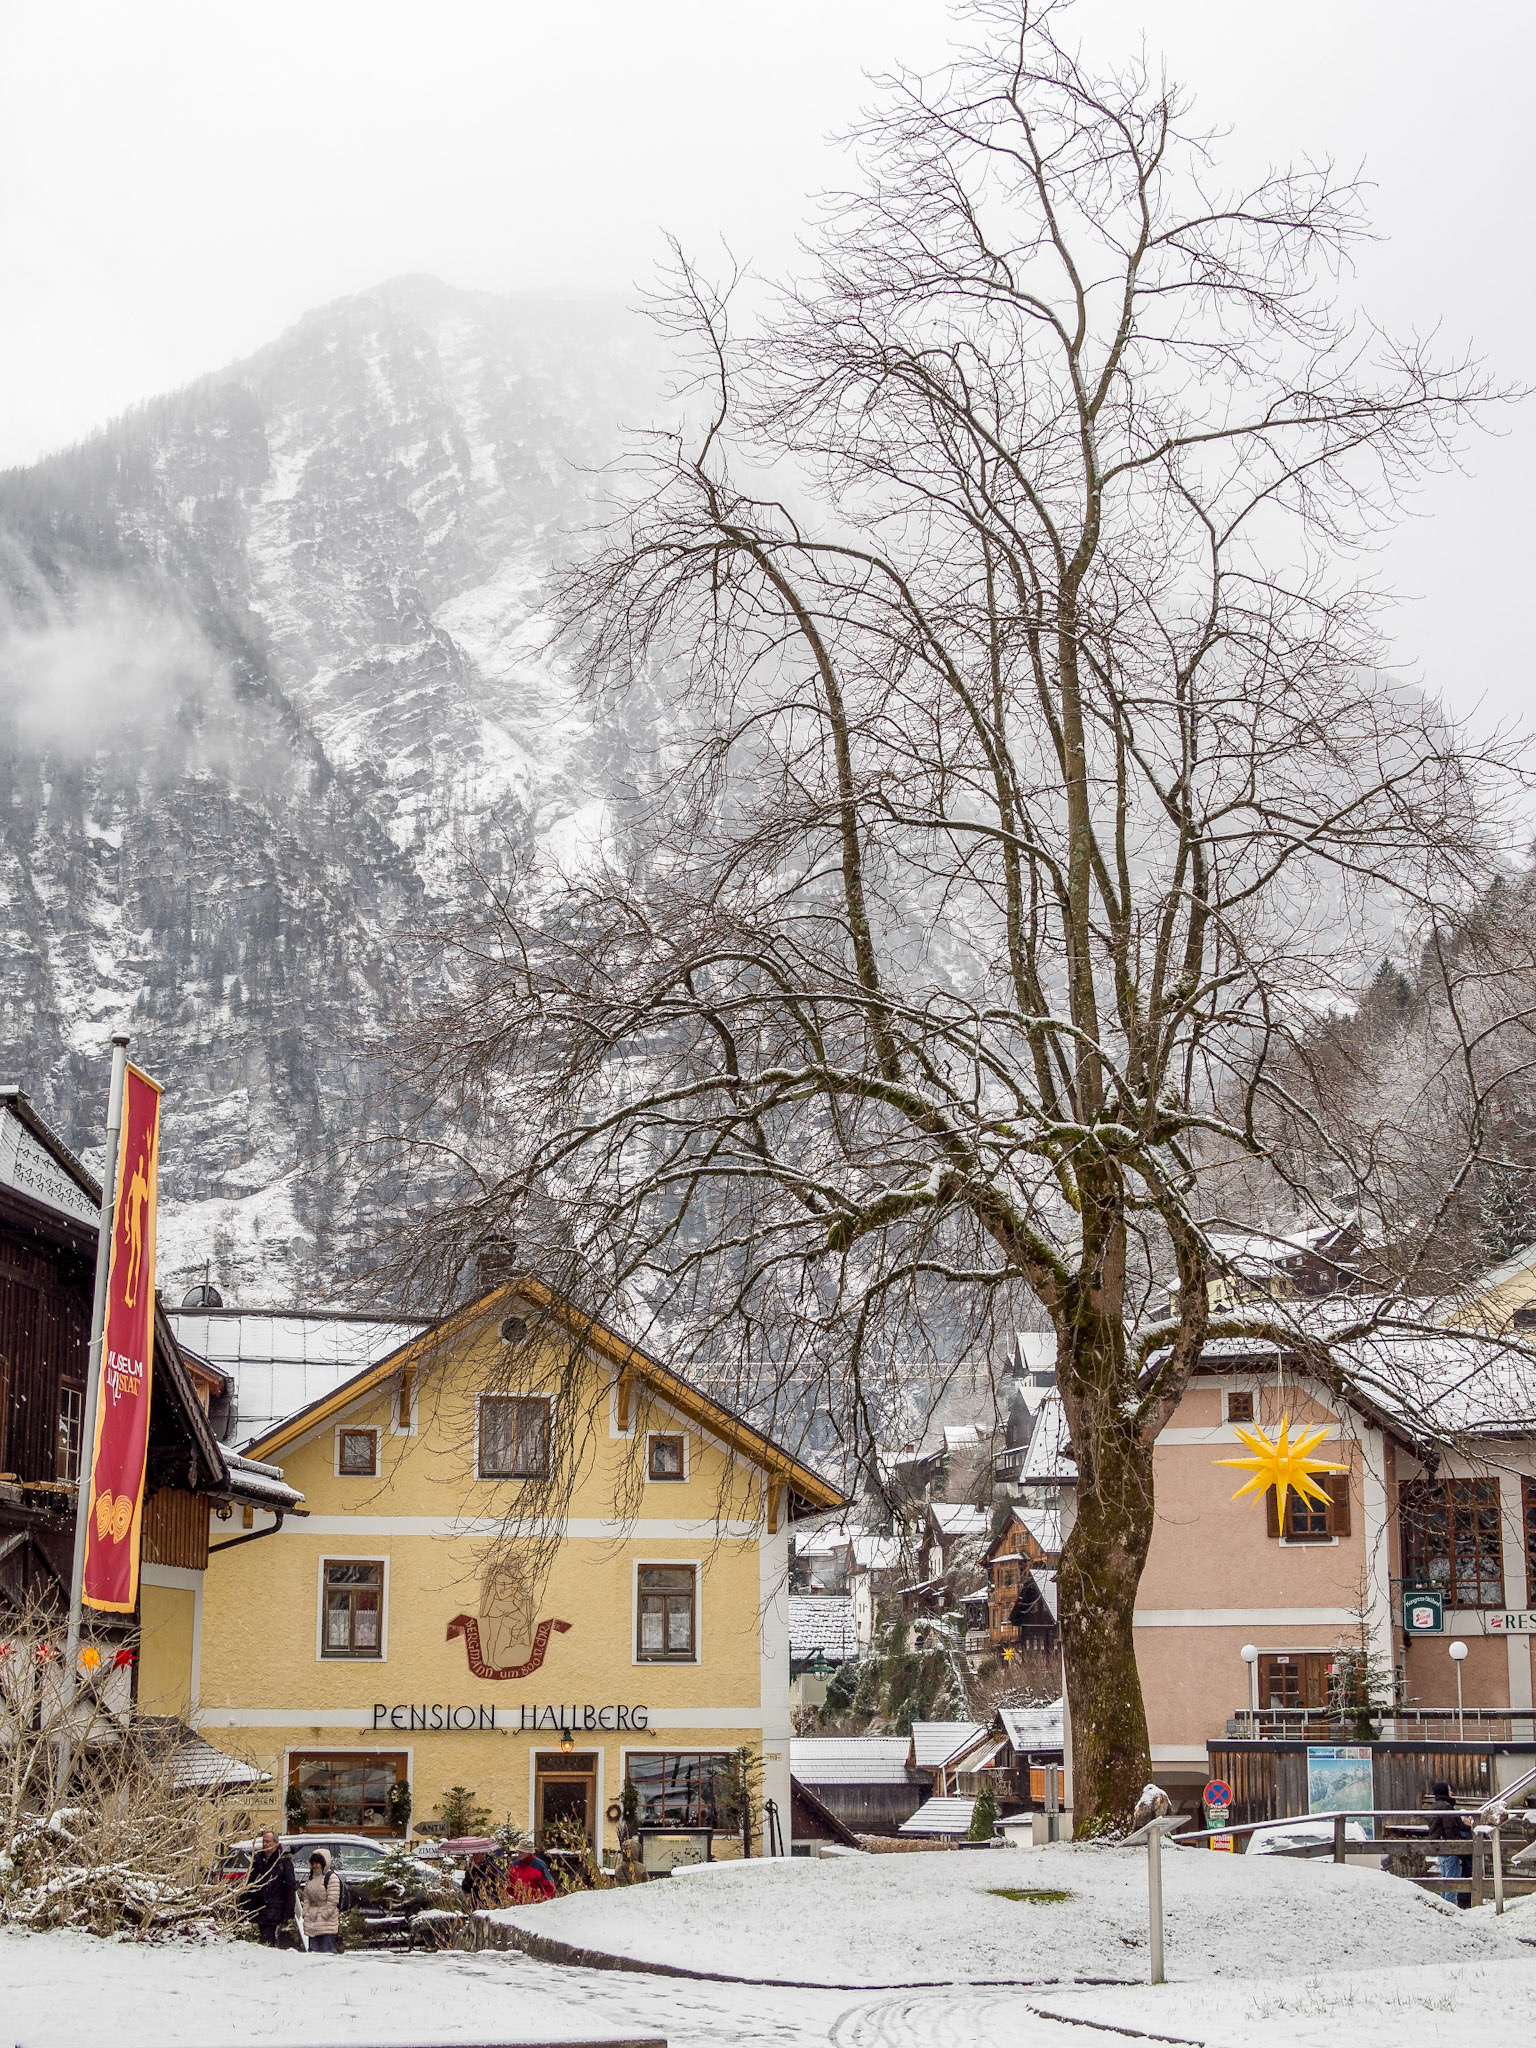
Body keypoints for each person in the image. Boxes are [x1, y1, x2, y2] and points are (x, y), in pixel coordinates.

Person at [241, 1830, 296, 1946]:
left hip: (275, 1908)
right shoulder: (257, 1860)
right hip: (258, 1907)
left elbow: (290, 1888)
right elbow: (250, 1883)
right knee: (261, 1940)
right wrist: (245, 1904)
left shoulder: (283, 1862)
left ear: (276, 1843)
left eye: (268, 1842)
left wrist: (288, 1912)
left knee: (267, 1940)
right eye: (263, 1841)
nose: (265, 1844)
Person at [1425, 1781, 1473, 1906]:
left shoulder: (1435, 1807)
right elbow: (1450, 1830)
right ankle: (1449, 1910)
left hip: (1441, 1850)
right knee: (1452, 1884)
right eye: (1449, 1789)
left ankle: (1443, 1907)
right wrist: (1460, 1848)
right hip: (1450, 1850)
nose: (1452, 1792)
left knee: (1445, 1882)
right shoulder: (1446, 1808)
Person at [299, 1847, 343, 1951]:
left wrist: (325, 1915)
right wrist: (305, 1912)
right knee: (313, 1949)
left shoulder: (331, 1878)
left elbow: (333, 1900)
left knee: (326, 1949)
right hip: (312, 1918)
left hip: (326, 1920)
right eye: (313, 1863)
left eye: (318, 1863)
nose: (315, 1866)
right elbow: (307, 1898)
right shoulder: (311, 1878)